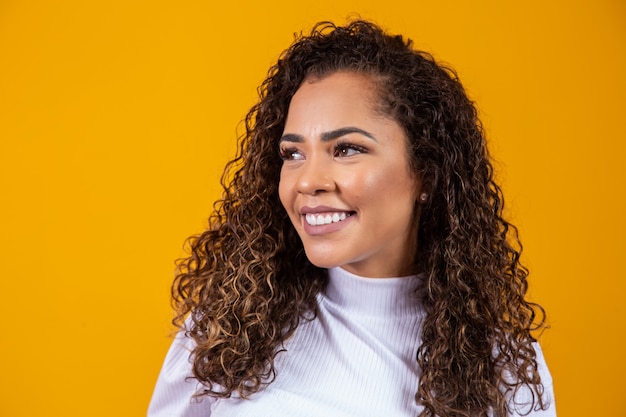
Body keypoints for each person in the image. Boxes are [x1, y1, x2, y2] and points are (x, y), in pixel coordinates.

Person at [148, 20, 556, 417]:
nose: (307, 181)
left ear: (425, 173)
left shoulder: (502, 368)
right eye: (293, 154)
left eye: (345, 149)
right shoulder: (226, 329)